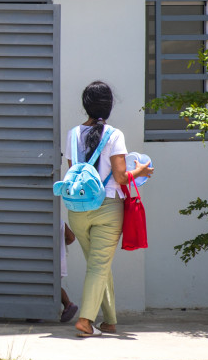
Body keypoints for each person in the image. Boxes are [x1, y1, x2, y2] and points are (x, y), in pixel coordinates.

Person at [61, 81, 153, 337]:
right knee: (98, 265)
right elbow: (121, 177)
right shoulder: (114, 135)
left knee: (98, 263)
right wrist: (141, 171)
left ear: (86, 105)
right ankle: (85, 321)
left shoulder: (72, 134)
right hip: (108, 207)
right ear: (109, 106)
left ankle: (110, 320)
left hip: (78, 209)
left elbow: (74, 174)